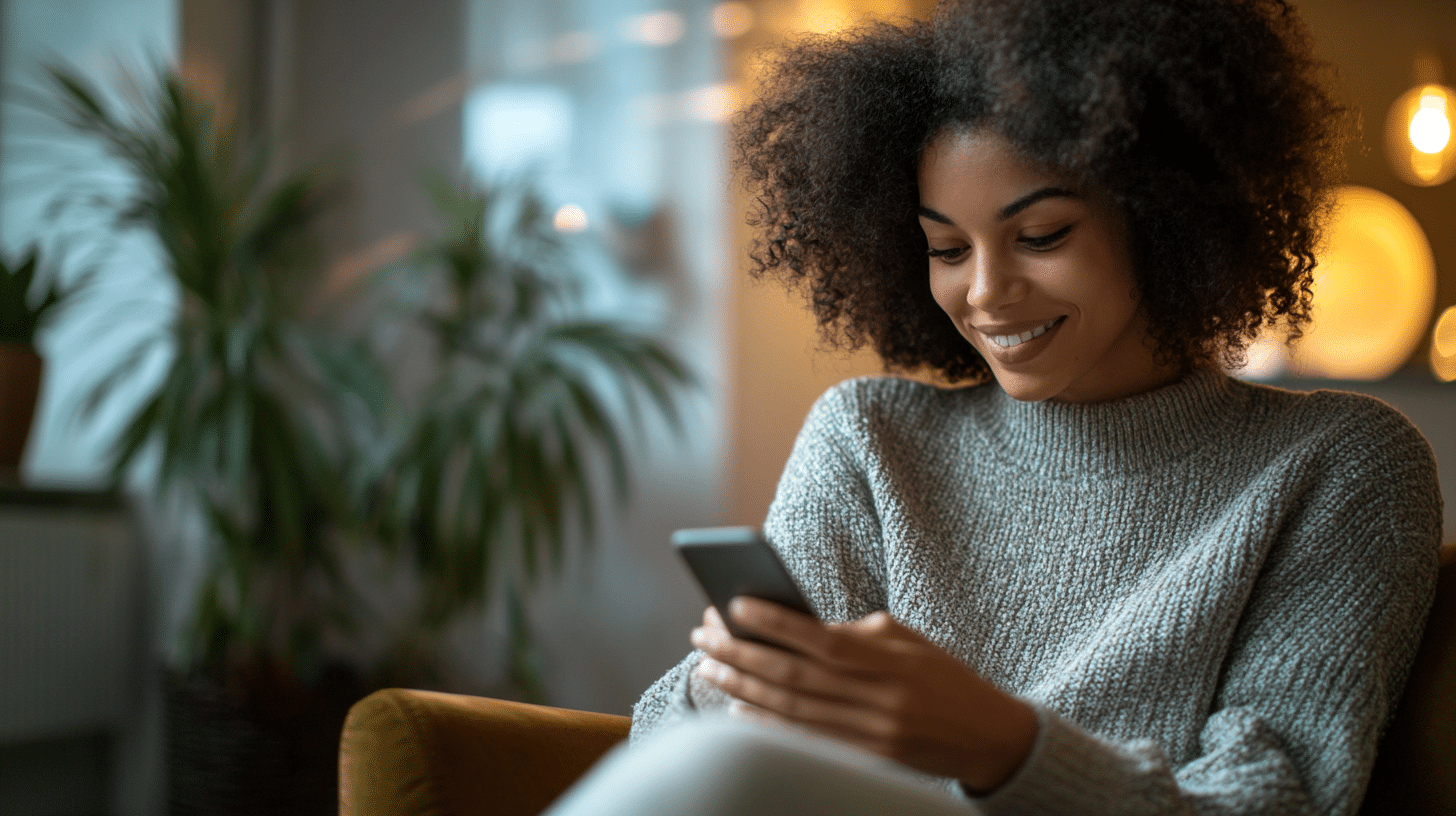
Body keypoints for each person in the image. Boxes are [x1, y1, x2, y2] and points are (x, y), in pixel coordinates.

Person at [548, 0, 1445, 814]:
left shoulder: (1340, 464)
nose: (986, 293)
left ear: (1170, 214)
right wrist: (731, 685)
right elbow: (663, 755)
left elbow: (1274, 802)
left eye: (1041, 235)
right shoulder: (870, 439)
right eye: (945, 248)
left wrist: (999, 745)